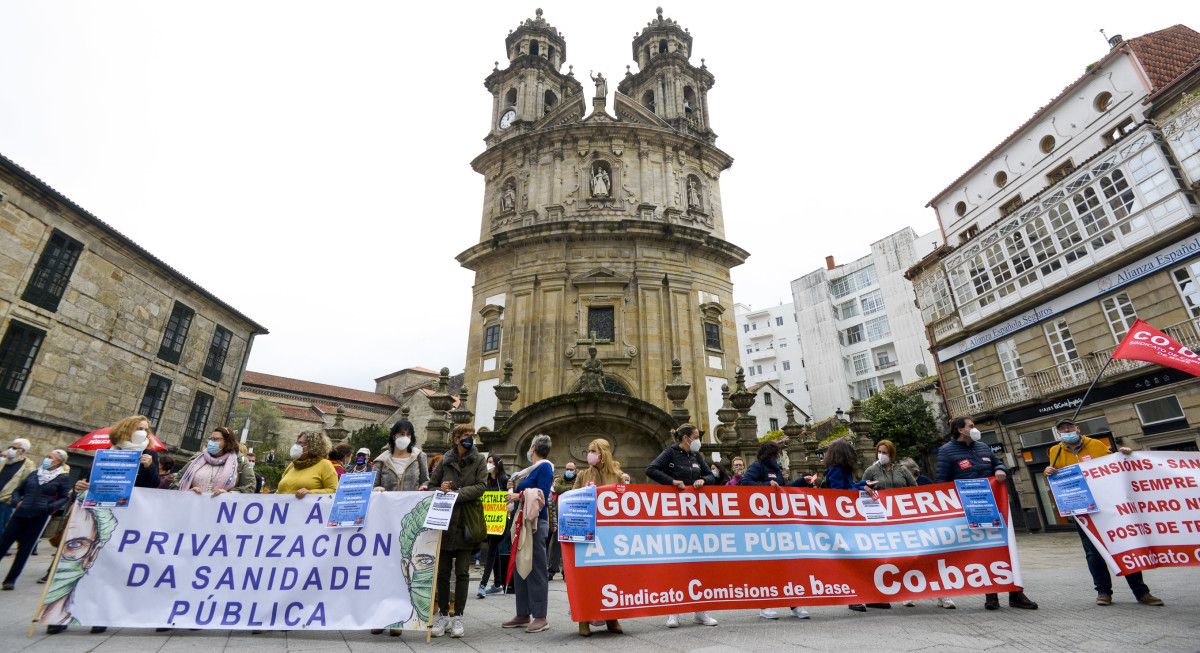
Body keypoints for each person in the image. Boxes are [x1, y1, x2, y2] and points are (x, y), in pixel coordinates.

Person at [1045, 418, 1163, 607]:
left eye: (1069, 427)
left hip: (1108, 505)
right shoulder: (1055, 451)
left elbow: (1113, 464)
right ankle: (1103, 592)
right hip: (1082, 509)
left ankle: (1141, 592)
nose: (1067, 430)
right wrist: (1048, 471)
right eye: (1062, 429)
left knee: (1123, 544)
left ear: (1077, 428)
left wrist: (1124, 455)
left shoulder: (1096, 444)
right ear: (1059, 433)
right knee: (1093, 553)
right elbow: (1056, 480)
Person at [937, 417, 1038, 611]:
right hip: (972, 512)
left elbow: (998, 464)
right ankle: (991, 595)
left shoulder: (983, 447)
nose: (974, 428)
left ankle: (1015, 593)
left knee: (1006, 550)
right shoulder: (946, 451)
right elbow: (942, 484)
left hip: (996, 508)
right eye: (971, 426)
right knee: (986, 552)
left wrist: (1000, 469)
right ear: (960, 429)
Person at [646, 424, 719, 628]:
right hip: (675, 517)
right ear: (686, 438)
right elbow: (651, 469)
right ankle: (674, 611)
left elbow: (712, 476)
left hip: (696, 517)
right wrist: (672, 481)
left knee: (699, 564)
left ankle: (701, 611)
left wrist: (703, 481)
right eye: (696, 436)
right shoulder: (670, 453)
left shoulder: (697, 456)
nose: (698, 440)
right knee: (676, 563)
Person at [424, 425, 486, 638]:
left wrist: (457, 493)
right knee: (441, 572)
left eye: (472, 436)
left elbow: (481, 486)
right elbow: (431, 485)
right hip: (445, 521)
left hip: (467, 522)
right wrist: (441, 488)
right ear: (456, 439)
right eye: (466, 436)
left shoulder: (479, 460)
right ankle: (442, 615)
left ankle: (457, 615)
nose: (470, 439)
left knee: (462, 572)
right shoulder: (445, 460)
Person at [738, 440, 811, 620]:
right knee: (768, 565)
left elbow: (783, 489)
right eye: (775, 454)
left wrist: (802, 481)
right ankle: (766, 604)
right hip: (764, 524)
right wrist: (766, 486)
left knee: (787, 564)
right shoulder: (757, 467)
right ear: (768, 454)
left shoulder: (777, 470)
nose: (777, 458)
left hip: (780, 522)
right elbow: (745, 485)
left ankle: (795, 603)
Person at [502, 434, 554, 634]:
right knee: (520, 564)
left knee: (536, 568)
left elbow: (541, 492)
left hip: (535, 522)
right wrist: (515, 487)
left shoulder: (545, 467)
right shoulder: (528, 471)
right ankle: (522, 613)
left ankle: (540, 616)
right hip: (522, 521)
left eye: (530, 447)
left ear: (533, 448)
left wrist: (518, 494)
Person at [574, 438, 624, 636]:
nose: (589, 454)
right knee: (587, 577)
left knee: (611, 576)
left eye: (592, 450)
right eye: (588, 450)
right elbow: (572, 498)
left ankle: (612, 618)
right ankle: (583, 620)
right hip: (588, 533)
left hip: (610, 534)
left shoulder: (617, 475)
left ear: (603, 453)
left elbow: (626, 501)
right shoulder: (583, 474)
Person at [1, 449, 71, 590]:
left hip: (38, 517)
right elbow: (18, 491)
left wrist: (48, 508)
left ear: (57, 461)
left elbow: (64, 497)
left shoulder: (62, 478)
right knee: (3, 544)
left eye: (49, 457)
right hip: (20, 514)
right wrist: (16, 502)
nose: (46, 459)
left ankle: (10, 580)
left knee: (25, 549)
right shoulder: (35, 474)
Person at [171, 427, 256, 494]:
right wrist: (188, 491)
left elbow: (249, 487)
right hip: (192, 507)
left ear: (227, 442)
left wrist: (230, 494)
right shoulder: (197, 459)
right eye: (211, 439)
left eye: (216, 439)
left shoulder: (240, 462)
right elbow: (176, 481)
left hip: (220, 511)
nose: (211, 442)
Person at [479, 455, 509, 598]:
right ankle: (498, 585)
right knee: (494, 549)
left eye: (491, 462)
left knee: (491, 550)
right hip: (489, 521)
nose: (488, 464)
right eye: (487, 462)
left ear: (497, 464)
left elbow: (509, 499)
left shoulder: (504, 479)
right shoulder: (486, 480)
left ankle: (482, 584)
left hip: (501, 521)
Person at [276, 431, 339, 498]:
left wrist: (311, 493)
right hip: (285, 507)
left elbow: (333, 491)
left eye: (300, 443)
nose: (296, 446)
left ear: (313, 446)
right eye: (297, 442)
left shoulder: (325, 464)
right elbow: (279, 491)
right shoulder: (292, 465)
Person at [374, 420, 429, 492]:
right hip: (387, 502)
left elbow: (425, 481)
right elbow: (373, 485)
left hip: (411, 502)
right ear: (394, 436)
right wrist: (376, 489)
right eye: (402, 434)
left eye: (408, 434)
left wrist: (424, 486)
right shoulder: (382, 460)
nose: (405, 437)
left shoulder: (419, 456)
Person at [0, 439, 37, 536]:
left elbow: (28, 486)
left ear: (22, 451)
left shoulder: (29, 466)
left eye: (14, 448)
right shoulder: (4, 462)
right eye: (9, 447)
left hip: (6, 501)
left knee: (1, 528)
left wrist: (17, 499)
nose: (10, 450)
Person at [547, 462, 576, 580]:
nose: (569, 471)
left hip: (572, 517)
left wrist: (567, 490)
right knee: (555, 545)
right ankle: (552, 569)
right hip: (559, 516)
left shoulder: (578, 480)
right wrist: (570, 489)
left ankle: (567, 571)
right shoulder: (559, 479)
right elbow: (557, 489)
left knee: (570, 545)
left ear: (575, 470)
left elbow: (577, 489)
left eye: (571, 469)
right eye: (567, 468)